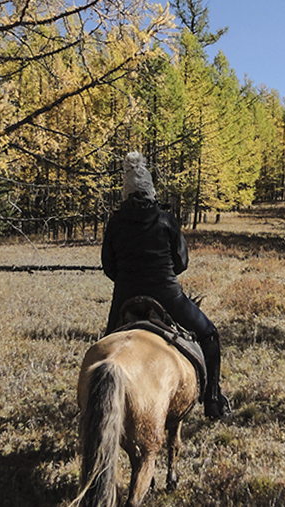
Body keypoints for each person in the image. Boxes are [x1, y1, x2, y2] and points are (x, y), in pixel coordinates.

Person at [101, 151, 231, 419]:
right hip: (167, 295)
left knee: (103, 352)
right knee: (208, 334)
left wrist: (130, 281)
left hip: (125, 295)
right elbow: (181, 262)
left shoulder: (114, 222)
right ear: (151, 191)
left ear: (126, 193)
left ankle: (93, 407)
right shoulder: (166, 220)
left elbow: (109, 267)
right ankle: (213, 401)